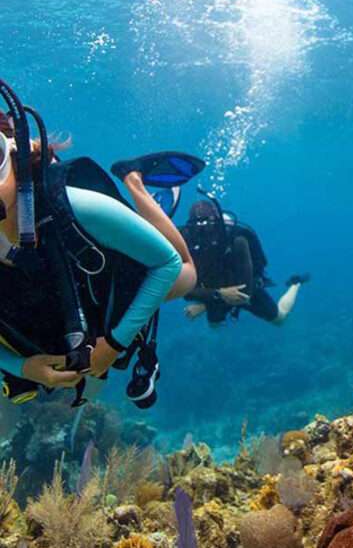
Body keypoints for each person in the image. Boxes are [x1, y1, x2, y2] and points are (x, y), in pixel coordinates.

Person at [0, 83, 203, 406]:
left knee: (189, 273)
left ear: (16, 155)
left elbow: (167, 264)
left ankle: (133, 179)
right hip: (64, 304)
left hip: (109, 280)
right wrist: (24, 367)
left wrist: (114, 344)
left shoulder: (78, 206)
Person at [180, 196, 309, 326]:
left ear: (218, 223)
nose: (203, 232)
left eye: (207, 226)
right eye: (197, 228)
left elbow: (245, 291)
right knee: (214, 326)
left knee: (280, 318)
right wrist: (217, 295)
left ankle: (295, 284)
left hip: (246, 287)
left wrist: (205, 305)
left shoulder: (237, 240)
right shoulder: (187, 241)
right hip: (216, 292)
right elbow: (183, 288)